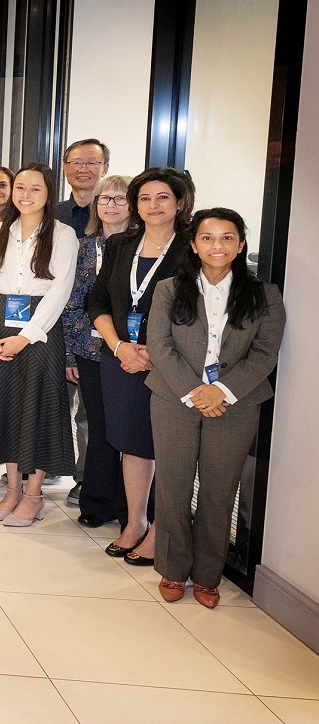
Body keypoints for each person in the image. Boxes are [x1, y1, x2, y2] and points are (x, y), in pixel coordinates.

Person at [147, 209, 283, 609]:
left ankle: (208, 575)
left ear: (241, 245)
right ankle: (173, 569)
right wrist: (194, 391)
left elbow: (265, 353)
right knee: (172, 486)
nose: (217, 245)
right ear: (193, 244)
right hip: (174, 398)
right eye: (207, 237)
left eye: (227, 237)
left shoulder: (264, 294)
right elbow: (159, 345)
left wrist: (221, 390)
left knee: (220, 491)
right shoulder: (170, 288)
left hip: (235, 405)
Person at [0, 164, 80, 526]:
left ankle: (34, 495)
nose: (26, 196)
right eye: (21, 188)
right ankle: (12, 490)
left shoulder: (63, 235)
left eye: (36, 189)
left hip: (40, 331)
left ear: (49, 194)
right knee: (6, 408)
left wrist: (25, 336)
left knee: (37, 410)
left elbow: (59, 291)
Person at [87, 167, 194, 565]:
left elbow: (196, 310)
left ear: (179, 203)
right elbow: (98, 301)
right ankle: (135, 523)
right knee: (132, 443)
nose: (153, 205)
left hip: (169, 365)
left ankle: (162, 532)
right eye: (145, 198)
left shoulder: (191, 248)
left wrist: (155, 352)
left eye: (163, 197)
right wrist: (118, 347)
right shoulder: (120, 244)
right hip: (120, 360)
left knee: (168, 447)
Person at [66, 175, 131, 528]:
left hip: (133, 352)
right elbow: (71, 303)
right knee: (98, 427)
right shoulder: (83, 247)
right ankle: (96, 503)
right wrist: (70, 353)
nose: (111, 205)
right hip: (90, 350)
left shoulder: (142, 247)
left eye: (120, 199)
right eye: (105, 199)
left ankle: (131, 508)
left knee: (131, 431)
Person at [57, 139, 110, 236]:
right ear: (65, 168)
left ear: (105, 169)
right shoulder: (50, 214)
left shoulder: (113, 214)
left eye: (92, 163)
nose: (83, 169)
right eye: (76, 163)